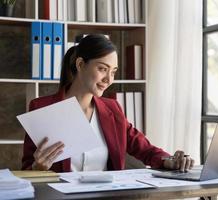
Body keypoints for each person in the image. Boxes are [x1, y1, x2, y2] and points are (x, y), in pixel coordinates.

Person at [22, 34, 194, 173]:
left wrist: (169, 161)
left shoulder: (112, 108)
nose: (109, 79)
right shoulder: (42, 108)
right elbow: (27, 169)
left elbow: (145, 149)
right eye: (102, 69)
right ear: (81, 64)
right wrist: (38, 168)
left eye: (113, 72)